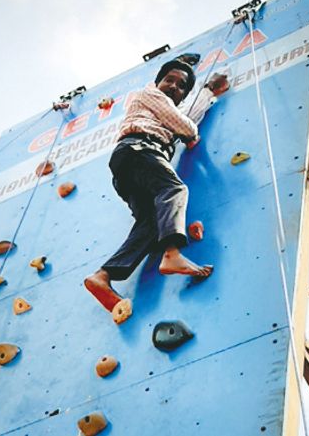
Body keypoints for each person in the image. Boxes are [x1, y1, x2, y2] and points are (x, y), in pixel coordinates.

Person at [84, 59, 230, 324]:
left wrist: (207, 93)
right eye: (169, 80)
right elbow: (185, 126)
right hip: (140, 149)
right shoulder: (149, 93)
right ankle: (172, 254)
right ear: (158, 82)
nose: (173, 86)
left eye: (181, 86)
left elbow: (186, 116)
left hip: (129, 166)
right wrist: (192, 135)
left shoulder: (162, 108)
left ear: (184, 95)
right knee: (173, 189)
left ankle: (103, 276)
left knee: (151, 224)